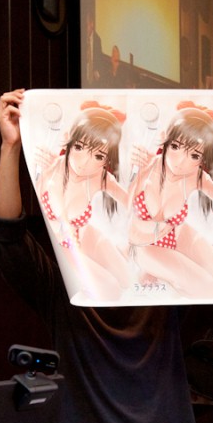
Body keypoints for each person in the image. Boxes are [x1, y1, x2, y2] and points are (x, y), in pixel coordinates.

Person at [0, 89, 200, 423]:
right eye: (81, 152)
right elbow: (7, 234)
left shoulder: (161, 275)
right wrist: (10, 147)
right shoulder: (65, 285)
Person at [34, 101, 131, 301]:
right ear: (68, 139)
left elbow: (134, 204)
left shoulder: (101, 177)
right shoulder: (51, 170)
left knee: (127, 280)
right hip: (62, 244)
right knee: (111, 290)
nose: (84, 163)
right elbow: (59, 219)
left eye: (98, 156)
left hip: (86, 235)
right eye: (79, 147)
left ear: (107, 160)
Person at [127, 101, 213, 298]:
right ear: (165, 138)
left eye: (194, 155)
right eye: (175, 146)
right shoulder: (146, 166)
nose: (180, 161)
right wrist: (137, 170)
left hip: (177, 237)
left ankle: (164, 273)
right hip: (143, 246)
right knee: (208, 288)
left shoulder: (196, 177)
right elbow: (122, 208)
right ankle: (155, 271)